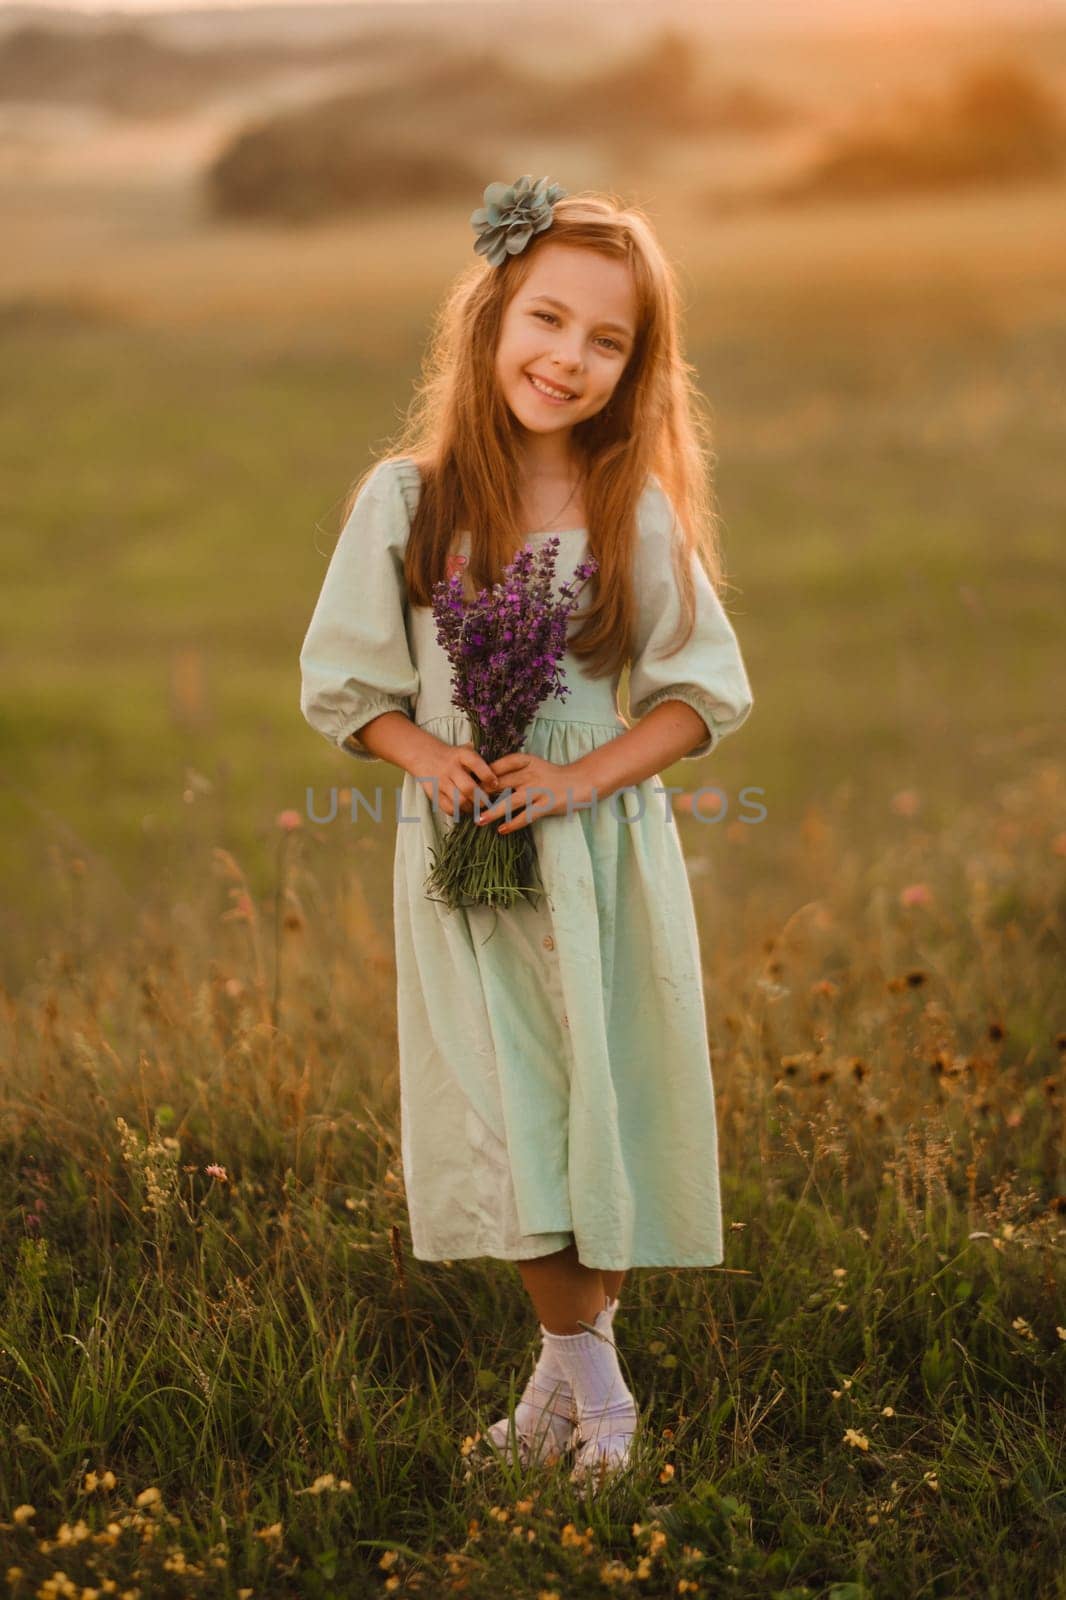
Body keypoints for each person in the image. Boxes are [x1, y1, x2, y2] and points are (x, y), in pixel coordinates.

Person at [299, 176, 754, 1490]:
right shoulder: (408, 499)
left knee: (588, 1112)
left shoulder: (632, 512)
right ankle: (597, 1398)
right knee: (511, 1111)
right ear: (491, 318)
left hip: (596, 852)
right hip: (462, 858)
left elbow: (699, 694)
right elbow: (346, 686)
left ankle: (567, 1401)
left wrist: (580, 778)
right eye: (547, 319)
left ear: (633, 367)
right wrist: (427, 752)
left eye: (606, 340)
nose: (568, 356)